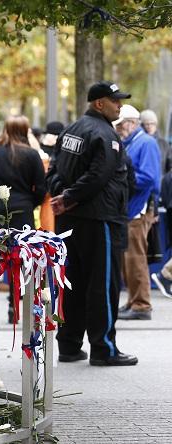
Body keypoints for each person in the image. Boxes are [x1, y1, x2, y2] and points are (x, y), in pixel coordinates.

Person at [46, 81, 137, 366]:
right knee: (103, 285)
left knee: (72, 283)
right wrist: (71, 196)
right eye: (115, 101)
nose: (119, 106)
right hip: (100, 219)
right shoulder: (105, 135)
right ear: (99, 103)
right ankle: (104, 348)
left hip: (70, 221)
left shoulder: (69, 130)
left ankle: (69, 345)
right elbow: (99, 176)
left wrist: (63, 196)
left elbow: (53, 169)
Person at [0, 116, 46, 323]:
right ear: (25, 130)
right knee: (19, 260)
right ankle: (15, 305)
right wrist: (29, 203)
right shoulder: (32, 155)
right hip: (22, 212)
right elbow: (41, 188)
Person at [113, 105, 160, 321]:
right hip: (133, 208)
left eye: (121, 125)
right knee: (130, 258)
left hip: (139, 209)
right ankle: (135, 300)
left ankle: (141, 304)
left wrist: (124, 180)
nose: (120, 129)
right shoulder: (135, 142)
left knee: (135, 257)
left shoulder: (145, 143)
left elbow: (149, 177)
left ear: (131, 123)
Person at [139, 109, 171, 174]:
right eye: (147, 124)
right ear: (142, 125)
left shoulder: (164, 144)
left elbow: (170, 166)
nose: (149, 126)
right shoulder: (137, 143)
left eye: (152, 123)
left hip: (160, 182)